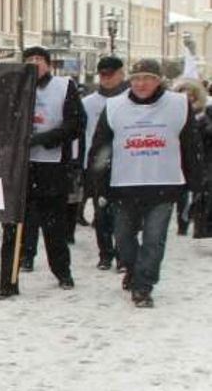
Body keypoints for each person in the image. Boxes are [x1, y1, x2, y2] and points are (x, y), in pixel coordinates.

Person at [88, 59, 204, 308]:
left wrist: (195, 183)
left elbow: (192, 147)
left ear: (158, 80)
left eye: (148, 78)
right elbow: (101, 147)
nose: (141, 83)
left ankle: (143, 286)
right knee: (123, 237)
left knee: (154, 238)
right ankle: (133, 270)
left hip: (163, 183)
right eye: (136, 78)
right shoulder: (115, 106)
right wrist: (97, 182)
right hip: (124, 184)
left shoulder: (178, 104)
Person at [0, 46, 84, 299]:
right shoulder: (15, 86)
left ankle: (62, 271)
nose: (34, 64)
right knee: (13, 226)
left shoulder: (65, 87)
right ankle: (8, 281)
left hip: (51, 169)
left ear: (48, 64)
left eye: (39, 60)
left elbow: (75, 125)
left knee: (53, 227)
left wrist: (42, 139)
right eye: (29, 60)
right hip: (19, 169)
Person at [81, 56, 129, 270]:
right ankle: (105, 253)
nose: (107, 79)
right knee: (101, 211)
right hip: (98, 164)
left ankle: (122, 254)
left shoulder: (130, 99)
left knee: (124, 213)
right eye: (103, 75)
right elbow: (82, 134)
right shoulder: (88, 103)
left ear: (121, 74)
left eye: (111, 74)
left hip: (125, 164)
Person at [170, 78, 212, 236]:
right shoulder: (175, 112)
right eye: (184, 94)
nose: (188, 97)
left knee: (199, 191)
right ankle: (183, 223)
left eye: (190, 94)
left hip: (202, 157)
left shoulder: (204, 112)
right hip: (180, 155)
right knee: (181, 191)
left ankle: (198, 223)